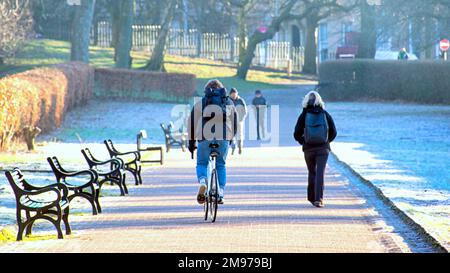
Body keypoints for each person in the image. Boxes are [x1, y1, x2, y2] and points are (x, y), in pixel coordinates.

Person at [188, 79, 237, 205]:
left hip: (205, 137)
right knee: (220, 165)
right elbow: (235, 122)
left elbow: (192, 124)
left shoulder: (202, 103)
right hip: (223, 137)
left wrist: (191, 144)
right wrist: (230, 138)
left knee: (202, 163)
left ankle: (203, 182)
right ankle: (220, 192)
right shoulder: (229, 102)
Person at [293, 91, 337, 208]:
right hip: (323, 148)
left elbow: (296, 133)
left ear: (306, 101)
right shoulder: (325, 114)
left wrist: (304, 141)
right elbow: (333, 131)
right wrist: (326, 141)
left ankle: (312, 198)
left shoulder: (303, 115)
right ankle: (319, 199)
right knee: (320, 173)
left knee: (312, 172)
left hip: (309, 149)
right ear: (319, 101)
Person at [229, 88, 247, 155]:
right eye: (232, 94)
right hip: (230, 122)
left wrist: (241, 119)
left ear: (237, 94)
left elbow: (245, 111)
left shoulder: (240, 100)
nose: (234, 96)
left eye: (235, 94)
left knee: (239, 135)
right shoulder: (228, 100)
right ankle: (233, 147)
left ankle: (240, 147)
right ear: (230, 94)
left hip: (239, 121)